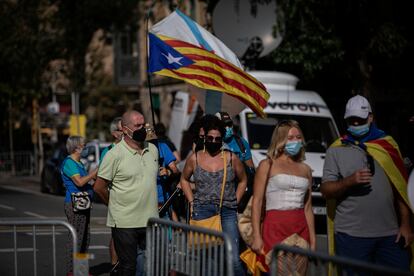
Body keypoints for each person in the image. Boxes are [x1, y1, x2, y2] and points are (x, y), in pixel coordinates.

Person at [321, 95, 413, 273]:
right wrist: (348, 182)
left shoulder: (387, 145)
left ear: (370, 118)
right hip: (351, 236)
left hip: (390, 235)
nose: (355, 124)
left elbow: (400, 188)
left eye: (360, 120)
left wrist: (406, 224)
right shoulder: (336, 149)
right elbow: (326, 190)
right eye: (351, 120)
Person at [180, 115, 248, 275]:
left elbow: (243, 180)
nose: (213, 141)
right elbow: (183, 179)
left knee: (233, 260)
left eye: (217, 138)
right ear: (204, 138)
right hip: (202, 212)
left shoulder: (231, 158)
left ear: (222, 139)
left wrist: (235, 201)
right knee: (208, 261)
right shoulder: (194, 158)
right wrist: (191, 201)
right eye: (210, 138)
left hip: (227, 212)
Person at [94, 110, 159, 276]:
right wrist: (114, 204)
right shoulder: (113, 155)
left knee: (150, 266)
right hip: (124, 222)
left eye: (143, 124)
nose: (142, 128)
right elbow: (99, 187)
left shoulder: (152, 149)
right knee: (128, 267)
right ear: (124, 129)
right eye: (137, 125)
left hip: (150, 221)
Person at [250, 120, 315, 275]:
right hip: (275, 227)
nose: (296, 141)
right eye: (290, 137)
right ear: (280, 139)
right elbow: (257, 202)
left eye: (298, 137)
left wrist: (313, 240)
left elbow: (308, 208)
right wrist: (256, 236)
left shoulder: (306, 169)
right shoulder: (267, 165)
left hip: (301, 229)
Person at [61, 135, 98, 275]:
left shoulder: (79, 163)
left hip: (83, 203)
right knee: (76, 238)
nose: (86, 147)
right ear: (76, 147)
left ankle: (81, 270)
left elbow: (86, 182)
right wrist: (93, 173)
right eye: (84, 145)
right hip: (74, 203)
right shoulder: (69, 163)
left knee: (84, 238)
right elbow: (79, 182)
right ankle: (72, 271)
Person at [215, 111, 255, 213]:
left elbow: (250, 169)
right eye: (224, 125)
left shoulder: (241, 142)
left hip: (236, 196)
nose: (228, 128)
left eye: (229, 124)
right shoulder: (213, 142)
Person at [99, 117, 123, 275]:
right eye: (122, 129)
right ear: (115, 133)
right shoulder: (108, 152)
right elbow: (101, 183)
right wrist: (110, 202)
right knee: (117, 236)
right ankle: (114, 267)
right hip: (117, 200)